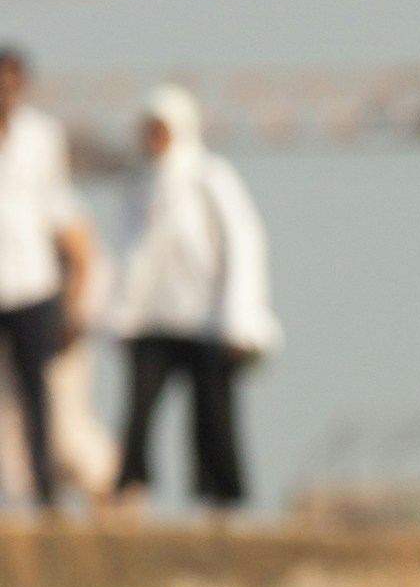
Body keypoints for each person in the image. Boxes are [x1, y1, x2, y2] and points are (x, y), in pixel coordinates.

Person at [110, 88, 277, 508]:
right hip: (152, 321)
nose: (154, 138)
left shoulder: (210, 177)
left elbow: (244, 242)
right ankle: (131, 491)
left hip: (208, 321)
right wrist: (121, 312)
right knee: (139, 415)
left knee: (213, 418)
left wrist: (241, 316)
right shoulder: (141, 183)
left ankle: (223, 501)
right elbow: (132, 252)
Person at [0, 49, 89, 514]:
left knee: (37, 396)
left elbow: (60, 212)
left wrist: (74, 296)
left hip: (32, 285)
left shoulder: (42, 137)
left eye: (11, 82)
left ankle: (44, 493)